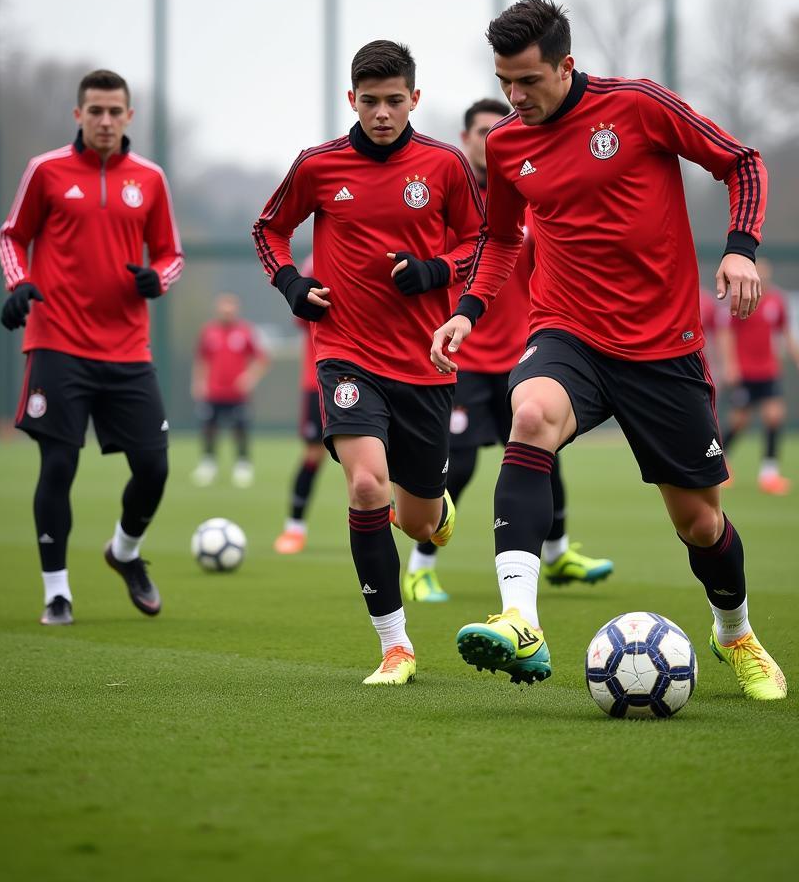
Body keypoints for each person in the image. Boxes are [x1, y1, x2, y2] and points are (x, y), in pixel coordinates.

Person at [431, 0, 787, 700]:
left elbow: (741, 163)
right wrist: (469, 311)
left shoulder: (640, 106)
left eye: (528, 80)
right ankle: (520, 622)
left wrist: (741, 249)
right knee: (528, 415)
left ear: (566, 65)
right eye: (505, 81)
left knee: (699, 522)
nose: (514, 97)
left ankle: (735, 633)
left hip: (664, 348)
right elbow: (502, 238)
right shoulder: (506, 144)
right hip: (567, 332)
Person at [253, 39, 483, 685]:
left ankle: (436, 514)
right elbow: (268, 230)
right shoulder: (318, 165)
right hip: (346, 354)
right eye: (370, 101)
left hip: (426, 362)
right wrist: (293, 285)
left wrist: (437, 269)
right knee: (363, 487)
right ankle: (395, 647)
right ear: (350, 100)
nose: (382, 112)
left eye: (394, 100)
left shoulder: (442, 165)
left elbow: (484, 240)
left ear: (415, 99)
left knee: (418, 519)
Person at [402, 98, 614, 604]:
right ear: (466, 136)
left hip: (522, 353)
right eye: (479, 131)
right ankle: (419, 565)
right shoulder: (449, 201)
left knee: (544, 453)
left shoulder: (527, 195)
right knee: (462, 462)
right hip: (464, 356)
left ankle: (559, 554)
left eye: (498, 129)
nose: (488, 138)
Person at [0, 69, 184, 626]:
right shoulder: (46, 171)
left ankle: (124, 553)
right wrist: (19, 284)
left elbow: (171, 254)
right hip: (57, 342)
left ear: (130, 117)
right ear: (78, 116)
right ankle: (57, 591)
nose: (105, 121)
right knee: (58, 463)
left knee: (153, 468)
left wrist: (157, 280)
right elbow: (12, 234)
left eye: (115, 111)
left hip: (127, 348)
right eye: (95, 111)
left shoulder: (149, 179)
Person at [717, 258, 799, 494]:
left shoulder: (777, 301)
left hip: (768, 371)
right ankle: (720, 464)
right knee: (739, 422)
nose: (762, 278)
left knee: (774, 416)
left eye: (766, 275)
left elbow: (787, 334)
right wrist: (730, 365)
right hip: (745, 372)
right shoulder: (741, 299)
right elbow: (726, 333)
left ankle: (769, 474)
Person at [273, 256, 328, 555]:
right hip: (317, 380)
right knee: (312, 455)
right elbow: (301, 317)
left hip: (366, 377)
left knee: (375, 457)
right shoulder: (311, 266)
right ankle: (294, 528)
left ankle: (384, 520)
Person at [191, 293, 269, 488]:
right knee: (209, 427)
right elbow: (201, 359)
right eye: (224, 308)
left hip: (237, 394)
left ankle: (243, 465)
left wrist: (250, 377)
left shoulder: (245, 331)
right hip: (213, 391)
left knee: (240, 429)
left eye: (230, 308)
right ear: (218, 309)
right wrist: (198, 382)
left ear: (236, 309)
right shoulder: (208, 332)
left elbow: (261, 358)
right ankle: (208, 464)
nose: (227, 311)